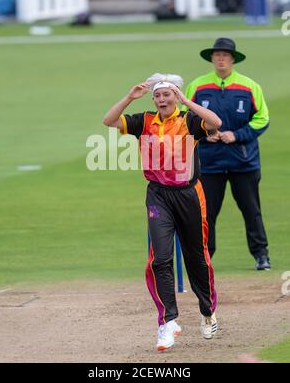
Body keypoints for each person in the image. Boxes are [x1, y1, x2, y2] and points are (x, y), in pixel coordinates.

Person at [103, 73, 221, 351]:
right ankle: (168, 321)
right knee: (160, 260)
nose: (161, 99)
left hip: (190, 195)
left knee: (197, 259)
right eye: (157, 95)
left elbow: (216, 123)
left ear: (176, 96)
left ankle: (207, 311)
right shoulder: (144, 121)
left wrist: (186, 101)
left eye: (166, 94)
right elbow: (108, 121)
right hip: (158, 195)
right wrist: (129, 98)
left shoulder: (189, 120)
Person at [182, 38, 270, 271]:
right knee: (206, 213)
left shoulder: (249, 86)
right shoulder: (197, 86)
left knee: (251, 210)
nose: (221, 58)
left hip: (244, 161)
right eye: (217, 54)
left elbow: (262, 118)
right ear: (211, 58)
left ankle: (261, 255)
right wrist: (203, 133)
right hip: (209, 162)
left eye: (225, 55)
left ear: (233, 59)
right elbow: (184, 118)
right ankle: (204, 257)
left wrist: (237, 134)